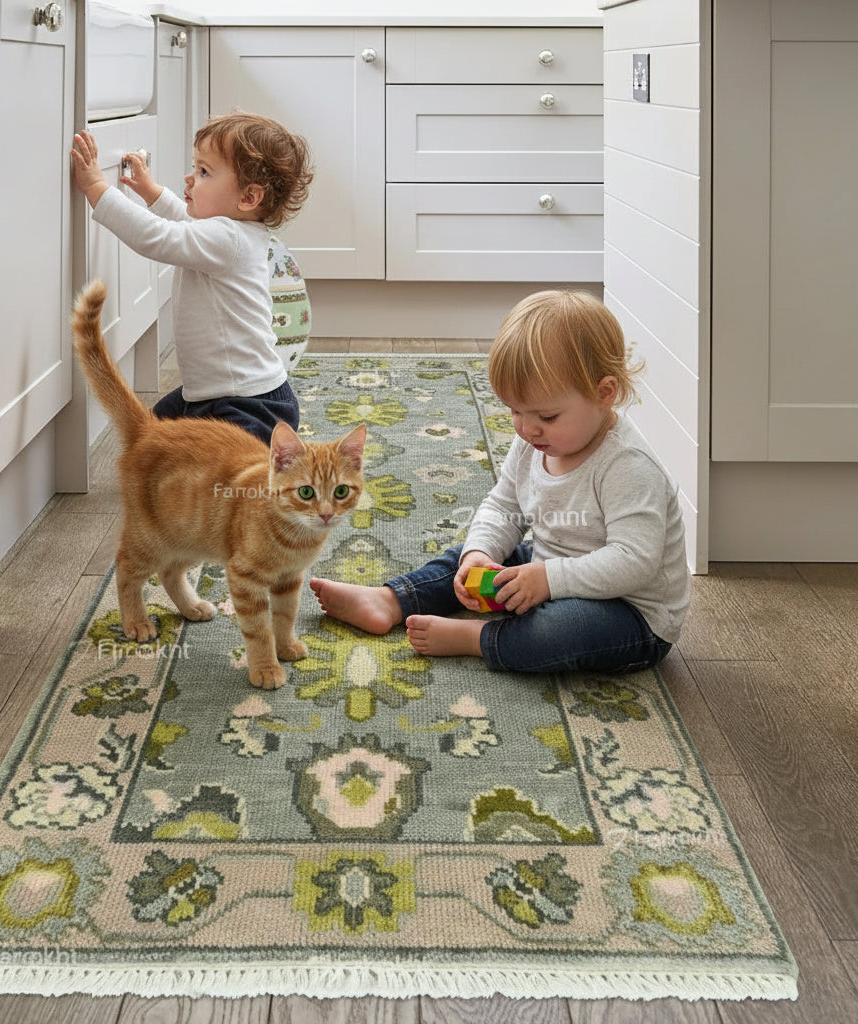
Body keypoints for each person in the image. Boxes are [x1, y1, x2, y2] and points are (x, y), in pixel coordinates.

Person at [310, 289, 690, 675]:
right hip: (549, 563)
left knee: (557, 629)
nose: (526, 428)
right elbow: (503, 506)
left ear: (604, 393)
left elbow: (634, 562)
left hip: (630, 614)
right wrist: (480, 554)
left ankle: (476, 638)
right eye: (514, 411)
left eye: (547, 415)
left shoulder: (627, 466)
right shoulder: (533, 441)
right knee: (467, 557)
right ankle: (391, 600)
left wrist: (547, 580)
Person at [70, 112, 313, 444]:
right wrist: (151, 191)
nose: (189, 178)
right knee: (151, 438)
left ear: (248, 198)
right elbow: (183, 219)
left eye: (203, 172)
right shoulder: (230, 231)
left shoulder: (229, 238)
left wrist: (97, 188)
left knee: (228, 477)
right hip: (210, 395)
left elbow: (158, 236)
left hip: (248, 405)